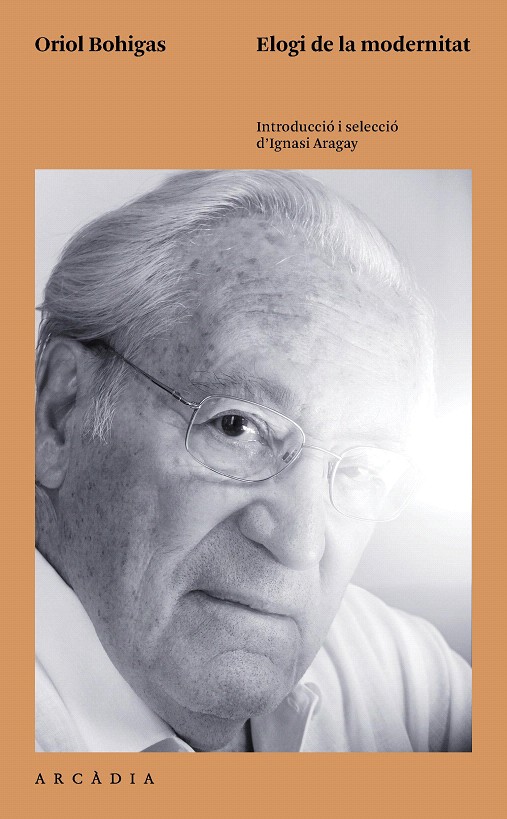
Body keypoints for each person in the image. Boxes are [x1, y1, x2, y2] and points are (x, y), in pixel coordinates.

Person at [35, 170, 471, 752]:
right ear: (60, 415)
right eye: (237, 427)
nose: (300, 544)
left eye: (361, 469)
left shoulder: (404, 681)